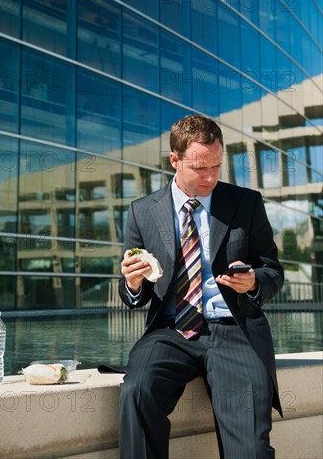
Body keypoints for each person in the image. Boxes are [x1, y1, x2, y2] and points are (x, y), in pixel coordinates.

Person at [119, 114, 284, 459]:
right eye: (199, 168)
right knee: (137, 390)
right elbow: (135, 295)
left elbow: (272, 270)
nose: (210, 177)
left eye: (216, 166)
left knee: (250, 450)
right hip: (170, 332)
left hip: (235, 329)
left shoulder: (246, 203)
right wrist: (133, 282)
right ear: (175, 161)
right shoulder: (141, 212)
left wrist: (253, 280)